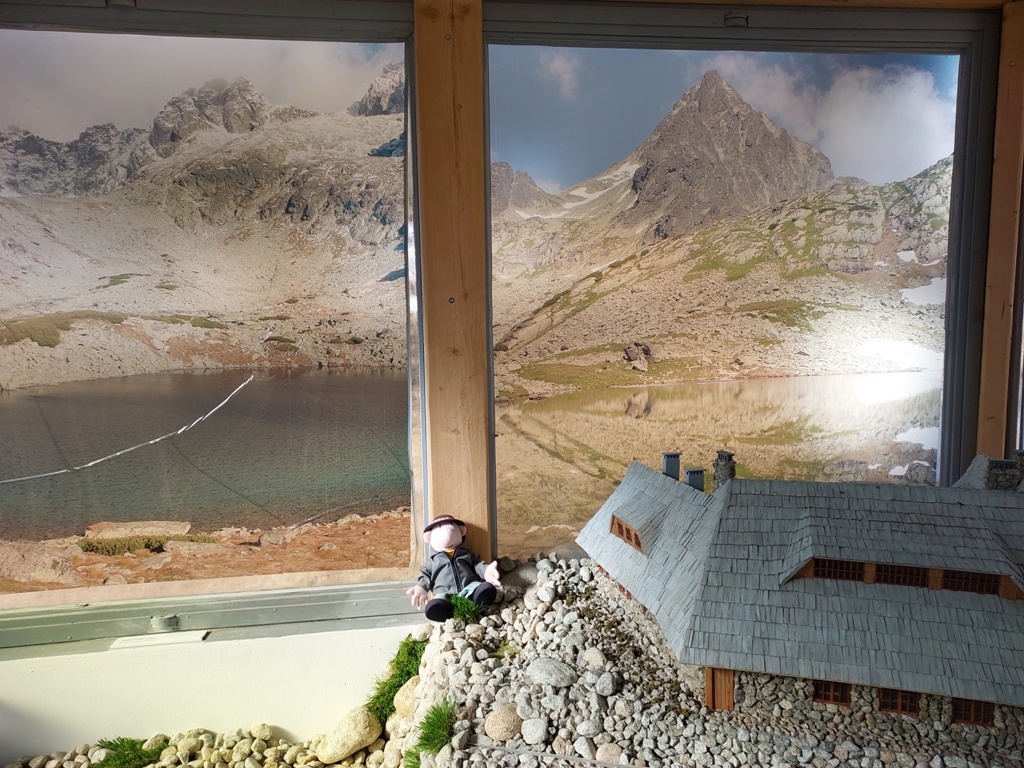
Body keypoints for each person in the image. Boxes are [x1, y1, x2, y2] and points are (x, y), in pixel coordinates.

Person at [406, 514, 501, 622]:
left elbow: (477, 564)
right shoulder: (432, 562)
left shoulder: (466, 554)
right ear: (429, 537)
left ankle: (479, 598)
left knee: (480, 588)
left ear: (461, 532)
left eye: (451, 527)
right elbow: (426, 576)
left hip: (468, 587)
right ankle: (441, 610)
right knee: (439, 600)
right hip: (444, 592)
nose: (447, 535)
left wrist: (486, 570)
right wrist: (421, 587)